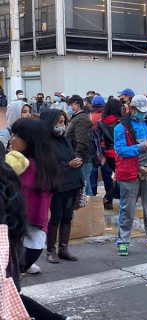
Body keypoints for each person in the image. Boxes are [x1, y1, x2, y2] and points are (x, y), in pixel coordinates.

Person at [0, 143, 74, 320]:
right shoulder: (7, 178)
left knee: (8, 298)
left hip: (9, 251)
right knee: (10, 297)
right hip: (11, 252)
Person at [114, 95, 147, 256]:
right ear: (131, 109)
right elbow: (120, 150)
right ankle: (123, 242)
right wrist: (141, 147)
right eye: (140, 111)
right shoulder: (121, 127)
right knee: (127, 209)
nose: (143, 114)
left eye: (145, 111)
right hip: (130, 172)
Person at [10, 118, 61, 275]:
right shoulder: (43, 162)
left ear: (29, 139)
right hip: (30, 230)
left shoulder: (24, 165)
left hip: (24, 228)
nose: (12, 138)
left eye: (16, 135)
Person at [40, 109, 84, 263]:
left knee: (67, 217)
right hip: (57, 186)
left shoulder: (64, 140)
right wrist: (69, 165)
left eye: (64, 122)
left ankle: (63, 249)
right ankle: (50, 250)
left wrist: (77, 161)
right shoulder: (44, 143)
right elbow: (47, 165)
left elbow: (70, 157)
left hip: (71, 184)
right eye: (59, 122)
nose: (62, 125)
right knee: (55, 218)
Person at [65, 95, 94, 196]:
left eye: (70, 104)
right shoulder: (76, 117)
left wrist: (77, 157)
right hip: (80, 156)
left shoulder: (81, 118)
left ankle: (90, 209)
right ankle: (90, 208)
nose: (68, 107)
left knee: (84, 187)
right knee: (85, 186)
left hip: (83, 158)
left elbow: (82, 140)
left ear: (77, 105)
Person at [96, 99, 123, 209]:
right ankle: (109, 196)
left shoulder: (101, 122)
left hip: (107, 153)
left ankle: (108, 201)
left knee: (108, 178)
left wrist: (100, 154)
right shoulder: (120, 122)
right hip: (120, 153)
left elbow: (97, 139)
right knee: (123, 178)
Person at [89, 96, 114, 200]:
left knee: (93, 175)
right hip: (107, 148)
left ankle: (93, 199)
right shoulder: (107, 117)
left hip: (94, 148)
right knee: (107, 176)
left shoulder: (89, 117)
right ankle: (109, 200)